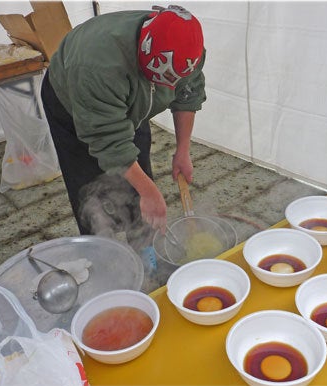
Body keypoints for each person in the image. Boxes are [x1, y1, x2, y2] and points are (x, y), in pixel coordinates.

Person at [40, 5, 206, 268]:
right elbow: (107, 139)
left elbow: (188, 95)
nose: (168, 87)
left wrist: (182, 150)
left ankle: (144, 249)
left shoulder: (188, 50)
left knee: (139, 176)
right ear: (144, 53)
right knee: (87, 185)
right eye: (161, 79)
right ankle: (101, 256)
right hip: (72, 102)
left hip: (131, 102)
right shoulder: (96, 65)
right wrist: (150, 192)